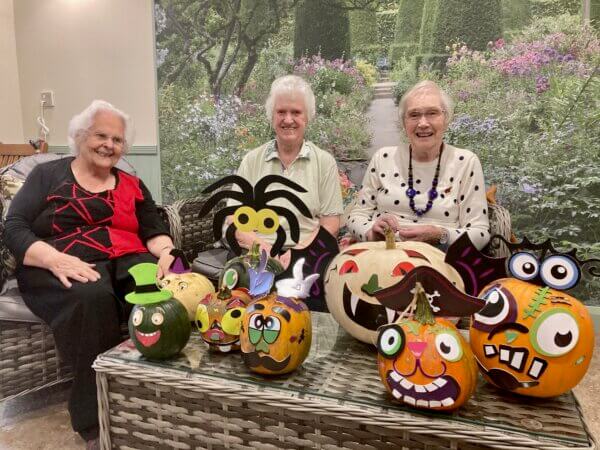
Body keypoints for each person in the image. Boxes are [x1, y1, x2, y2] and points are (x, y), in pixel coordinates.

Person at [4, 100, 175, 448]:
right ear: (81, 136)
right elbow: (15, 225)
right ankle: (94, 418)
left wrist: (168, 254)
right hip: (56, 263)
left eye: (117, 140)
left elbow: (153, 229)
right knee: (92, 295)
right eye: (101, 135)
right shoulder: (47, 176)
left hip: (124, 259)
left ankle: (158, 393)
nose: (109, 145)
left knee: (171, 291)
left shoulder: (132, 184)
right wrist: (53, 259)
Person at [348, 80, 490, 250]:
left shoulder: (466, 162)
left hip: (440, 261)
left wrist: (441, 235)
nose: (423, 123)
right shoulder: (383, 158)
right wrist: (371, 231)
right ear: (403, 123)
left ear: (446, 119)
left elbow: (480, 233)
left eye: (432, 113)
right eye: (414, 115)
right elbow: (356, 216)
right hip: (383, 256)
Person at [230, 74, 343, 265]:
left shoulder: (324, 162)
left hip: (308, 255)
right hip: (256, 254)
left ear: (307, 116)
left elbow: (331, 224)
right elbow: (234, 219)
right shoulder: (252, 160)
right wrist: (265, 250)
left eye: (296, 112)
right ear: (272, 116)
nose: (288, 119)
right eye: (281, 112)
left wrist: (300, 252)